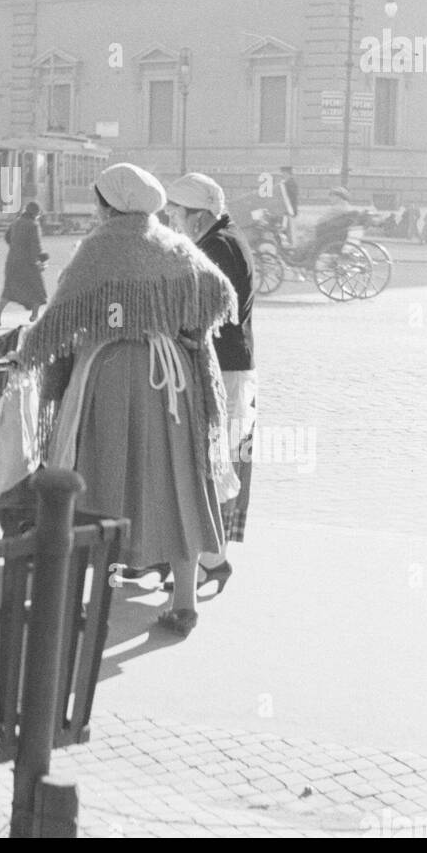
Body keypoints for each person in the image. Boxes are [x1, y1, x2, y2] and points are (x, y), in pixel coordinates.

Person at [20, 163, 238, 640]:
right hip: (173, 381)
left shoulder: (100, 248)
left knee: (100, 477)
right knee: (179, 480)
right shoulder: (174, 246)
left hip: (112, 375)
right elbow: (219, 292)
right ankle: (183, 603)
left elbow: (58, 318)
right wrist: (179, 329)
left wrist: (28, 349)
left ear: (107, 203)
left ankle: (83, 603)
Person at [169, 173, 256, 599]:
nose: (173, 219)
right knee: (213, 462)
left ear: (199, 215)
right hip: (229, 367)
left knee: (210, 462)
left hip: (223, 370)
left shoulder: (217, 248)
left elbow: (204, 309)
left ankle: (212, 560)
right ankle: (206, 556)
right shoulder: (226, 237)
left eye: (177, 212)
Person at [0, 201, 49, 325]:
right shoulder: (33, 225)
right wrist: (43, 258)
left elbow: (7, 237)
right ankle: (34, 317)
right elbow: (36, 246)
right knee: (37, 290)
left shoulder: (16, 222)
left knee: (9, 290)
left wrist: (16, 248)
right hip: (28, 264)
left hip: (12, 262)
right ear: (36, 213)